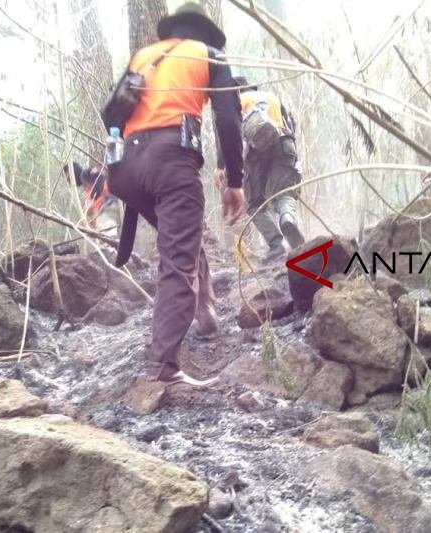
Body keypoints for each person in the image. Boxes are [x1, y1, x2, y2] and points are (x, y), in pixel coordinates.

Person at [106, 2, 245, 386]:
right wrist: (235, 180)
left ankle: (205, 310)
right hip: (172, 161)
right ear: (206, 33)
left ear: (174, 31)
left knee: (181, 234)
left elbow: (112, 115)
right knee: (177, 259)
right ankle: (163, 367)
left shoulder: (143, 57)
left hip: (125, 169)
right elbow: (229, 119)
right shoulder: (209, 55)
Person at [216, 76, 305, 262]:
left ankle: (276, 244)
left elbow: (227, 135)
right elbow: (291, 125)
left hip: (255, 154)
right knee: (285, 191)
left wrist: (221, 165)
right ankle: (287, 218)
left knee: (254, 202)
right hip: (284, 144)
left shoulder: (235, 103)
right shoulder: (271, 97)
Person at [68, 162, 119, 237]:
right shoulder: (86, 187)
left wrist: (95, 196)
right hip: (106, 208)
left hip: (108, 205)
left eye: (68, 177)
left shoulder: (86, 175)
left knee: (109, 237)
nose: (68, 180)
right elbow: (91, 208)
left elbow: (100, 179)